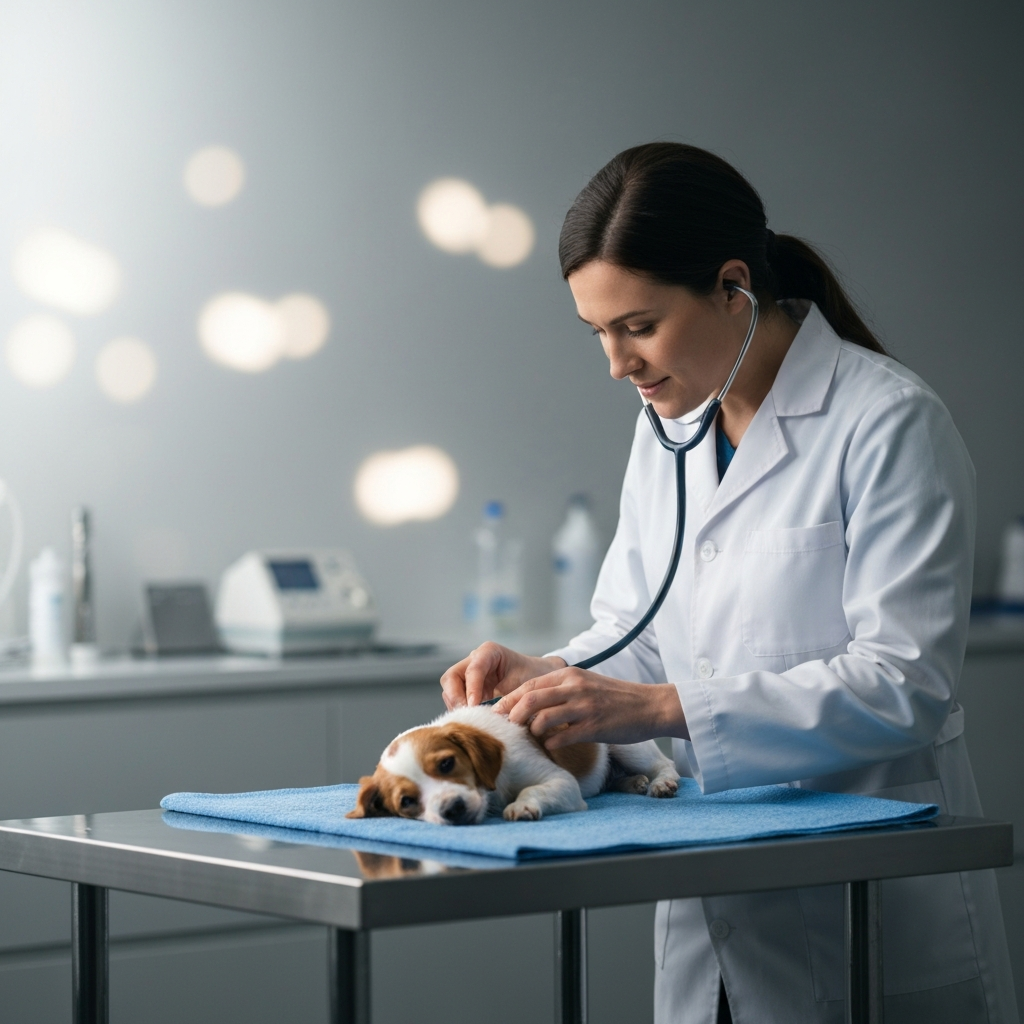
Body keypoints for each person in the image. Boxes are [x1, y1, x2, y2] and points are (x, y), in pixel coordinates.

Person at [440, 143, 1018, 1023]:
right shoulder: (667, 429)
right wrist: (549, 675)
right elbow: (633, 631)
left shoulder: (889, 421)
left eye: (638, 325)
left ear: (732, 286)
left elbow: (905, 687)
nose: (616, 364)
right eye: (598, 332)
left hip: (862, 903)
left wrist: (662, 708)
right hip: (714, 901)